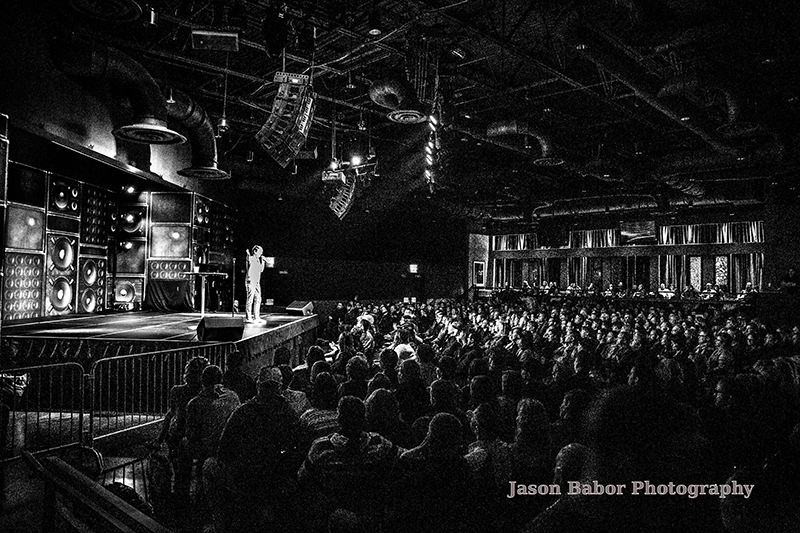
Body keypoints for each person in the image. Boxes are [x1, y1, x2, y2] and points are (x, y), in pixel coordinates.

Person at [245, 245, 267, 324]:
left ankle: (256, 317)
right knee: (250, 299)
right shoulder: (251, 258)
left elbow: (261, 270)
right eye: (260, 252)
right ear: (255, 251)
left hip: (257, 282)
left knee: (258, 299)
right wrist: (248, 254)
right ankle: (248, 317)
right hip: (251, 281)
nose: (261, 253)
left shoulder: (258, 260)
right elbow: (248, 260)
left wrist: (263, 261)